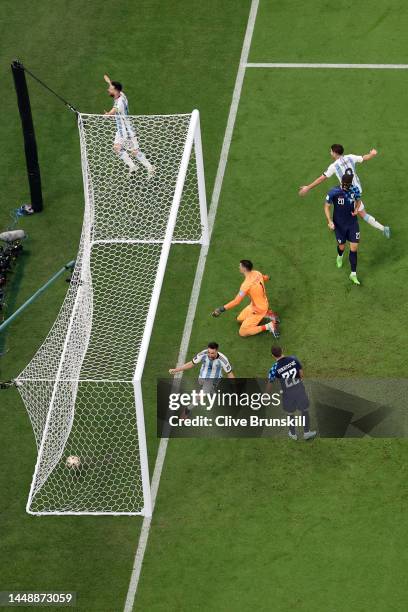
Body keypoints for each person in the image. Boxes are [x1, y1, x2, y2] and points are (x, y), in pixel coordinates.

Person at [299, 144, 390, 238]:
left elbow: (321, 178)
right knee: (353, 209)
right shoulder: (350, 157)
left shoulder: (334, 166)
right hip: (357, 188)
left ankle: (382, 228)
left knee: (359, 213)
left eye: (331, 151)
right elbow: (364, 158)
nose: (330, 153)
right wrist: (371, 154)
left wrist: (308, 187)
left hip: (350, 192)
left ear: (335, 153)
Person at [103, 74, 155, 179]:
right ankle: (133, 166)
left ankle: (150, 168)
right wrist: (109, 82)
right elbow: (116, 89)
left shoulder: (120, 103)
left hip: (126, 132)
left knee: (134, 152)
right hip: (120, 131)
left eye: (110, 89)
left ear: (116, 91)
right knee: (117, 148)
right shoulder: (120, 94)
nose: (108, 90)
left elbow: (112, 112)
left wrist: (107, 115)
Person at [211, 260, 280, 338]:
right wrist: (268, 277)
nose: (238, 267)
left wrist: (220, 309)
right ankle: (268, 313)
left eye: (240, 266)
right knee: (239, 319)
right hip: (258, 304)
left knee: (242, 332)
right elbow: (264, 278)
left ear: (244, 269)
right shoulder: (257, 273)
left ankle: (270, 326)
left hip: (258, 309)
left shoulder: (246, 285)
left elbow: (236, 301)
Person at [169, 342, 235, 418]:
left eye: (212, 353)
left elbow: (230, 373)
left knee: (199, 396)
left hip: (212, 380)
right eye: (209, 352)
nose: (210, 355)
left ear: (217, 351)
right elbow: (191, 363)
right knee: (204, 388)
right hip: (201, 377)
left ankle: (186, 411)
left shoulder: (223, 360)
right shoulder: (203, 354)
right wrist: (176, 370)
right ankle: (211, 391)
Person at [267, 346, 316, 441]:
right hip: (299, 390)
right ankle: (306, 433)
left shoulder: (274, 368)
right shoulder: (293, 359)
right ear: (282, 350)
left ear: (273, 355)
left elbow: (270, 383)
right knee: (304, 410)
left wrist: (266, 395)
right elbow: (301, 374)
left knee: (290, 413)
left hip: (288, 395)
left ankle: (293, 434)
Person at [325, 168, 362, 285]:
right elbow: (326, 206)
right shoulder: (334, 191)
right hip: (339, 225)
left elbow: (358, 201)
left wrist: (356, 209)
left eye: (348, 184)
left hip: (352, 223)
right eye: (345, 184)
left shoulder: (354, 189)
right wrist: (330, 221)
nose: (346, 186)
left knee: (354, 247)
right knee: (341, 246)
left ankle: (353, 274)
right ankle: (340, 256)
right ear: (341, 181)